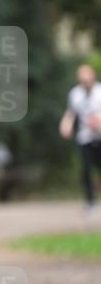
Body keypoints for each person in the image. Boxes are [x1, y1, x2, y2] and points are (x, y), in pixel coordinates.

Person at [59, 63, 101, 211]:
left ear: (93, 76)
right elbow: (71, 113)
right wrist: (66, 125)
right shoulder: (75, 93)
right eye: (81, 77)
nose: (84, 79)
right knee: (86, 169)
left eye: (86, 76)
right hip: (85, 137)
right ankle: (90, 201)